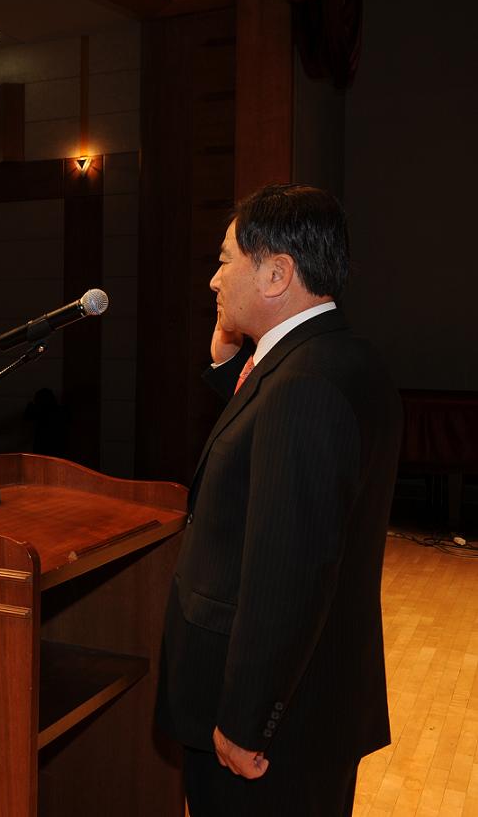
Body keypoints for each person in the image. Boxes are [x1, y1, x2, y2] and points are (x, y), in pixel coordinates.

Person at [156, 185, 403, 816]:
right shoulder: (343, 360)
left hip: (271, 732)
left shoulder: (304, 388)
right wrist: (227, 365)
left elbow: (288, 573)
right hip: (316, 702)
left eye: (225, 258)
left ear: (277, 273)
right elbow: (275, 460)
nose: (214, 280)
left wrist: (244, 722)